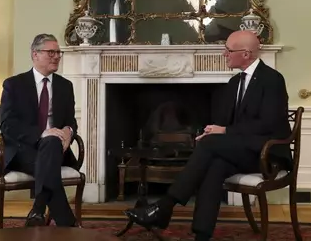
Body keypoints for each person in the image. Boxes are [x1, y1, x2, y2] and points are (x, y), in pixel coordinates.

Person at [125, 30, 292, 241]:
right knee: (214, 166)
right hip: (240, 151)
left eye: (229, 50)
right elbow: (224, 122)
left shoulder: (273, 80)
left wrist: (224, 132)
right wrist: (212, 129)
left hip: (267, 153)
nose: (224, 54)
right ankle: (201, 235)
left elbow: (269, 123)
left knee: (210, 145)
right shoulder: (234, 84)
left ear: (246, 54)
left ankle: (164, 206)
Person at [0, 34, 78, 227]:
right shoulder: (14, 84)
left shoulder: (65, 86)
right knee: (50, 147)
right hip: (22, 150)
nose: (56, 56)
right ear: (35, 54)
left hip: (55, 148)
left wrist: (69, 131)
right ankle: (66, 223)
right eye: (51, 52)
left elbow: (70, 121)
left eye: (58, 53)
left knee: (53, 143)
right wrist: (41, 133)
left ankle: (38, 210)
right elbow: (7, 125)